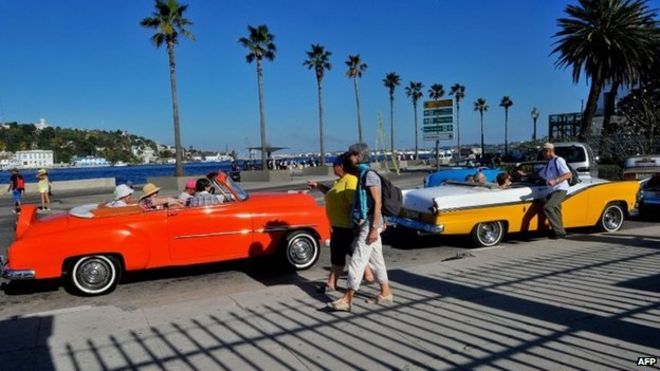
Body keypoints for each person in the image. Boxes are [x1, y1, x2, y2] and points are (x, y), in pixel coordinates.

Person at [329, 143, 393, 312]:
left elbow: (377, 202)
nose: (347, 159)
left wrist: (374, 228)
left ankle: (347, 298)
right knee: (376, 258)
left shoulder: (369, 175)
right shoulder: (362, 173)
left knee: (358, 259)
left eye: (350, 155)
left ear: (357, 155)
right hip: (368, 222)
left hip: (370, 222)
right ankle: (386, 292)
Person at [308, 153, 359, 293]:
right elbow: (332, 192)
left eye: (334, 165)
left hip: (347, 227)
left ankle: (373, 280)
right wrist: (318, 186)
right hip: (337, 226)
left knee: (350, 257)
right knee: (342, 257)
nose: (332, 168)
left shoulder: (351, 180)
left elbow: (353, 203)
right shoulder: (340, 181)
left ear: (341, 166)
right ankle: (332, 284)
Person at [538, 142, 572, 239]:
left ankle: (559, 232)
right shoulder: (549, 163)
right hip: (553, 191)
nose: (542, 155)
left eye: (543, 152)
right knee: (556, 210)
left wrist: (555, 181)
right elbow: (540, 175)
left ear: (548, 151)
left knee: (548, 207)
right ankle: (559, 231)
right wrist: (525, 175)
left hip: (561, 189)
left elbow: (568, 174)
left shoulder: (558, 160)